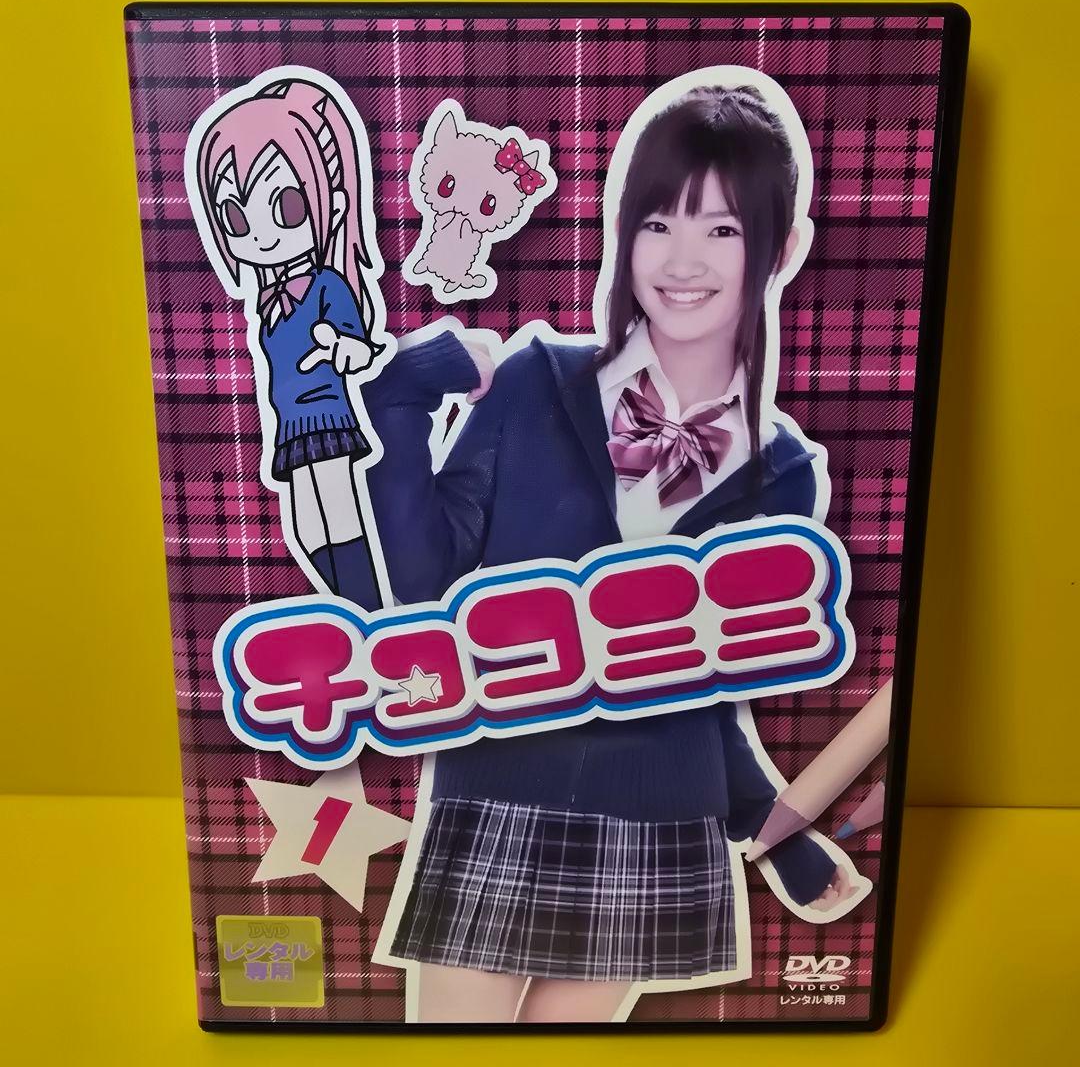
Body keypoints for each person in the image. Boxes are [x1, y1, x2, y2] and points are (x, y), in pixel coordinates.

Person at [362, 78, 859, 1023]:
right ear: (622, 233)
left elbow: (702, 685)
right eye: (658, 223)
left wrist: (777, 834)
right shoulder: (535, 382)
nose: (683, 260)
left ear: (785, 247)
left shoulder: (783, 473)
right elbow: (425, 592)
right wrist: (397, 402)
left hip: (658, 819)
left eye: (722, 228)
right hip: (497, 791)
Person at [190, 76, 388, 605]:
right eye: (236, 218)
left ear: (332, 205)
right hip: (289, 422)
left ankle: (368, 610)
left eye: (287, 206)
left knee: (339, 510)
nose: (260, 235)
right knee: (305, 525)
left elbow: (358, 346)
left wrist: (344, 349)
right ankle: (348, 608)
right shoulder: (267, 299)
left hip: (326, 412)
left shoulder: (327, 286)